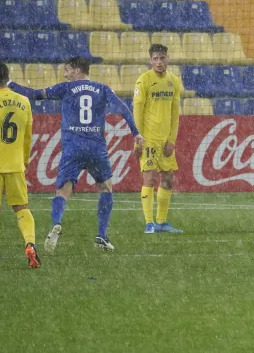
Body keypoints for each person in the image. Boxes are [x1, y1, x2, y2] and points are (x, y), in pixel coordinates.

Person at [9, 56, 142, 252]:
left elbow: (36, 94)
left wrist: (10, 83)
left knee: (63, 191)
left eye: (67, 70)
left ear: (77, 70)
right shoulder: (102, 88)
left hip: (73, 148)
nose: (65, 74)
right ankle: (101, 236)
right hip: (96, 147)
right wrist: (136, 133)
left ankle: (56, 222)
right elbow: (123, 109)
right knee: (106, 188)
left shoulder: (66, 88)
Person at [133, 43, 183, 234]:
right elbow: (137, 114)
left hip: (165, 140)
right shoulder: (143, 81)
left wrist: (172, 140)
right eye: (155, 59)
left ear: (167, 58)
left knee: (168, 179)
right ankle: (149, 223)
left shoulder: (173, 81)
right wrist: (137, 141)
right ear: (150, 60)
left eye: (162, 58)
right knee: (150, 178)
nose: (159, 62)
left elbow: (175, 113)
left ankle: (161, 222)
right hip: (148, 140)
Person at [0, 63, 40, 268]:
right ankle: (30, 244)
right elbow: (27, 136)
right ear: (7, 78)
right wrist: (24, 160)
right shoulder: (23, 101)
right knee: (22, 209)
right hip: (15, 164)